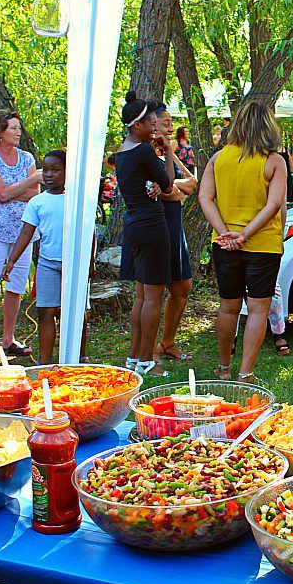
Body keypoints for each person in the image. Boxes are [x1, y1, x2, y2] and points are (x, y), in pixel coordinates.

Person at [198, 101, 287, 384]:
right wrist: (245, 234)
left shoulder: (218, 159)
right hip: (262, 244)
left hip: (224, 245)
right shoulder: (274, 161)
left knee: (228, 307)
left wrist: (225, 232)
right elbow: (275, 205)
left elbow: (205, 199)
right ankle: (245, 373)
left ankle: (223, 367)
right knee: (258, 309)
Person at [115, 92, 176, 376]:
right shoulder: (144, 151)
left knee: (141, 296)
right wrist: (169, 153)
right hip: (151, 225)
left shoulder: (122, 152)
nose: (154, 127)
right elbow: (167, 184)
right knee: (153, 298)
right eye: (150, 122)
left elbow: (147, 182)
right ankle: (149, 362)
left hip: (133, 224)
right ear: (135, 125)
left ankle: (134, 357)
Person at [0, 109, 42, 359]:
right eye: (13, 128)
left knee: (17, 285)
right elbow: (0, 193)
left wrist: (8, 191)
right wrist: (21, 186)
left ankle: (8, 338)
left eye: (18, 128)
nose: (18, 132)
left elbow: (34, 194)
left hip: (23, 231)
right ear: (0, 132)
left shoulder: (26, 158)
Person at [0, 151, 78, 364]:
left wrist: (88, 262)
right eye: (46, 170)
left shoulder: (77, 199)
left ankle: (78, 358)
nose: (49, 174)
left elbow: (90, 233)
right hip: (47, 263)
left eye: (56, 170)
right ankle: (45, 362)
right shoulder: (37, 202)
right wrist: (12, 261)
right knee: (46, 311)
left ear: (67, 171)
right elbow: (26, 233)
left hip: (74, 263)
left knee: (77, 312)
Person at [149, 103, 197, 363]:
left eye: (170, 123)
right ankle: (149, 349)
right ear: (152, 125)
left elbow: (191, 182)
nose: (170, 128)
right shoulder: (145, 155)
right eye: (165, 124)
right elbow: (170, 194)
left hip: (175, 227)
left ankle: (168, 342)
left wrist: (170, 152)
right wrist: (177, 188)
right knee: (152, 292)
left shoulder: (166, 155)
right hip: (157, 228)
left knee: (183, 287)